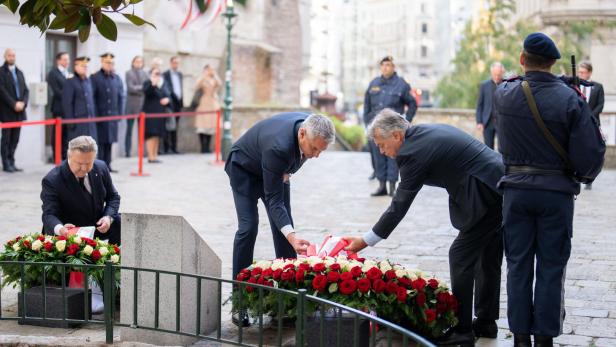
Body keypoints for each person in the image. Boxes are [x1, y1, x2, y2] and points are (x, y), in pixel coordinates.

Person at [344, 109, 505, 347]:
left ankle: (462, 330)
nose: (381, 151)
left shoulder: (411, 152)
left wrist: (366, 240)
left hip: (484, 192)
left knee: (460, 256)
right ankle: (485, 323)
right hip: (496, 184)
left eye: (381, 144)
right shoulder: (421, 134)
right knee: (487, 256)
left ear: (397, 136)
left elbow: (399, 206)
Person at [494, 33, 605, 347]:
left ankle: (519, 336)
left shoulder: (504, 93)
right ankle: (544, 337)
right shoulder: (570, 98)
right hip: (555, 193)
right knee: (551, 265)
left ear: (521, 59)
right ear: (554, 62)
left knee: (517, 264)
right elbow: (590, 154)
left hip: (515, 191)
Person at [225, 112, 335, 326]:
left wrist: (290, 235)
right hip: (245, 169)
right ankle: (240, 304)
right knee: (248, 227)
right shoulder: (279, 146)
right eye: (314, 149)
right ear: (302, 134)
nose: (315, 155)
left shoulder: (310, 126)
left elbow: (280, 203)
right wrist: (293, 237)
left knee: (285, 228)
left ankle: (289, 301)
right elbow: (275, 200)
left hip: (276, 169)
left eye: (321, 151)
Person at [41, 136, 121, 245]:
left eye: (88, 163)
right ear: (69, 156)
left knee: (119, 221)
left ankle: (114, 258)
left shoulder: (101, 167)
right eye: (79, 163)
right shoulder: (52, 179)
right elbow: (49, 214)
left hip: (97, 225)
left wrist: (107, 218)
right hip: (69, 230)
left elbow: (113, 197)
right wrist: (60, 229)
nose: (84, 168)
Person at [363, 56, 417, 197]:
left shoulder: (402, 84)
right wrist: (367, 122)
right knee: (378, 156)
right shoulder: (373, 83)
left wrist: (406, 121)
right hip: (376, 128)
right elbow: (367, 105)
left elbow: (413, 103)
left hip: (393, 128)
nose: (385, 67)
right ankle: (382, 186)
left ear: (394, 67)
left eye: (388, 65)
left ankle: (392, 187)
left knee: (393, 156)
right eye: (383, 65)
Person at [91, 53, 123, 172]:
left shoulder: (116, 78)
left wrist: (119, 113)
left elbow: (120, 97)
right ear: (102, 63)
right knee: (100, 142)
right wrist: (94, 115)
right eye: (107, 63)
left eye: (112, 63)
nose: (110, 65)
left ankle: (108, 164)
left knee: (110, 141)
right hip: (100, 115)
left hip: (112, 116)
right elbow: (92, 98)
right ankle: (100, 166)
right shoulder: (95, 77)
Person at [0, 48, 29, 173]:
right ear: (5, 57)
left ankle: (12, 161)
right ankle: (6, 164)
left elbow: (26, 90)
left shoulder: (19, 72)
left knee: (15, 139)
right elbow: (1, 91)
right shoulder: (1, 72)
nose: (12, 57)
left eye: (13, 55)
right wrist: (14, 104)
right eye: (10, 55)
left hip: (20, 111)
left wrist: (23, 103)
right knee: (6, 139)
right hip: (7, 111)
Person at [577, 60, 604, 190]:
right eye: (579, 72)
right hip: (577, 124)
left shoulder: (598, 87)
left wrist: (589, 117)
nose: (580, 74)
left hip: (592, 123)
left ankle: (589, 178)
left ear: (589, 73)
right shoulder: (574, 86)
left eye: (583, 72)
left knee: (591, 150)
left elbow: (600, 105)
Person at [63, 56, 97, 142]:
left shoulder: (88, 81)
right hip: (77, 124)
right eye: (82, 66)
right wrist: (70, 123)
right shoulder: (70, 81)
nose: (85, 68)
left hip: (89, 123)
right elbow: (67, 104)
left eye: (86, 66)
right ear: (76, 67)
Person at [142, 67, 171, 163]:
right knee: (151, 135)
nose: (157, 75)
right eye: (155, 73)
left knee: (157, 135)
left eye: (158, 73)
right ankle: (150, 157)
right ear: (151, 74)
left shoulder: (162, 84)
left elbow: (168, 94)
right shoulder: (148, 83)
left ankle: (154, 156)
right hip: (150, 114)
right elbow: (147, 92)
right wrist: (153, 83)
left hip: (160, 114)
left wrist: (167, 100)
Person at [47, 52, 71, 160]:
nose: (67, 62)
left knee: (66, 134)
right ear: (59, 61)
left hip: (68, 109)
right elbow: (57, 91)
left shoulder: (68, 73)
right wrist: (70, 94)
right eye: (65, 59)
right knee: (57, 133)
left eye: (68, 59)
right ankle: (56, 156)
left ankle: (64, 155)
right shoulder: (53, 73)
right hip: (58, 108)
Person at [476, 62, 505, 149]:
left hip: (502, 122)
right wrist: (479, 122)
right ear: (491, 73)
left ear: (502, 73)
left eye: (499, 75)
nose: (497, 77)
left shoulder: (506, 84)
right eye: (495, 74)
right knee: (488, 149)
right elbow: (480, 105)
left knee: (503, 148)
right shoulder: (484, 85)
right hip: (487, 122)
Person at [193, 65, 221, 153]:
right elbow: (196, 86)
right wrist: (203, 75)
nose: (210, 71)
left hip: (213, 103)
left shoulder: (214, 79)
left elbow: (220, 84)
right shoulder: (202, 79)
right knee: (202, 126)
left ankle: (208, 147)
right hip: (203, 103)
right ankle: (203, 147)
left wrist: (215, 74)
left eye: (211, 69)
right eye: (209, 69)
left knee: (211, 127)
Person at [124, 55, 148, 157]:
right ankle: (127, 151)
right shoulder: (128, 73)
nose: (138, 63)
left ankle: (141, 152)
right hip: (131, 106)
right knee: (129, 130)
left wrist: (140, 88)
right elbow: (130, 88)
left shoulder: (145, 74)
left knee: (141, 130)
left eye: (140, 62)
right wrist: (142, 88)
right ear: (133, 62)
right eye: (136, 61)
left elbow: (147, 87)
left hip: (142, 105)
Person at [162, 56, 183, 154]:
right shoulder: (165, 74)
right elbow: (168, 89)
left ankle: (174, 147)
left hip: (178, 104)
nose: (176, 64)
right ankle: (166, 148)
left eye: (177, 63)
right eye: (174, 62)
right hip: (170, 104)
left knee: (176, 127)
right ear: (170, 63)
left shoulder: (180, 74)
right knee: (168, 126)